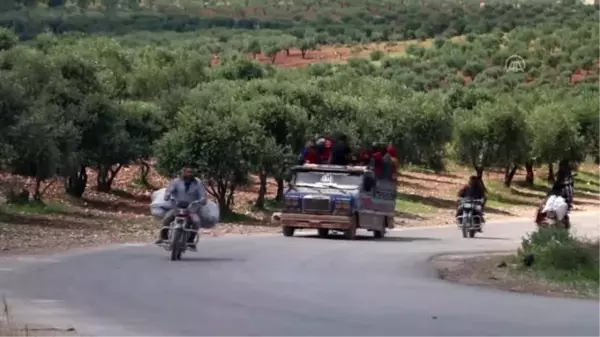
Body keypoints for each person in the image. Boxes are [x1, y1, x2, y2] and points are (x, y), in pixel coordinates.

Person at [156, 167, 207, 250]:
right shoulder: (176, 182)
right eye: (187, 172)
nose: (189, 174)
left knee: (196, 221)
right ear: (183, 173)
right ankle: (163, 237)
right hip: (177, 207)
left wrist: (202, 200)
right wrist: (168, 195)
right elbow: (169, 190)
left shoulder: (197, 183)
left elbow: (202, 195)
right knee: (167, 218)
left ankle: (191, 240)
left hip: (191, 208)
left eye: (191, 172)